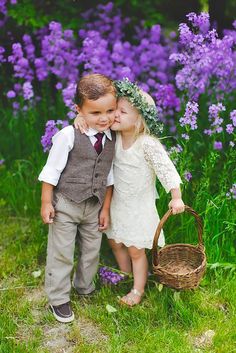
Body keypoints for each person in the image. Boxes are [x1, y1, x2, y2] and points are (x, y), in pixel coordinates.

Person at [74, 78, 185, 307]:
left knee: (136, 250)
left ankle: (138, 289)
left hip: (139, 207)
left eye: (122, 112)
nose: (115, 116)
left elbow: (166, 170)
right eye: (116, 110)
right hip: (117, 204)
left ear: (138, 120)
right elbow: (92, 124)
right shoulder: (112, 138)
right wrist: (80, 118)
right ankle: (125, 274)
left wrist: (176, 197)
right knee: (115, 242)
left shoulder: (147, 145)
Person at [38, 73, 117, 322]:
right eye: (95, 113)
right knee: (61, 251)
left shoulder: (112, 137)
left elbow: (109, 177)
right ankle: (58, 298)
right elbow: (51, 171)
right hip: (66, 204)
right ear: (78, 110)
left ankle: (85, 286)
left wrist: (105, 209)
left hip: (94, 205)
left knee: (91, 249)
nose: (104, 118)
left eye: (110, 110)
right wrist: (46, 202)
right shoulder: (68, 136)